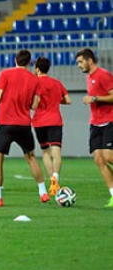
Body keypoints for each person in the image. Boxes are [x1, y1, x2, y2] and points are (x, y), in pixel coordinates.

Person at [0, 49, 50, 208]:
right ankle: (43, 192)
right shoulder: (35, 80)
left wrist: (0, 103)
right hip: (24, 124)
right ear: (29, 62)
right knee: (31, 157)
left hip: (6, 122)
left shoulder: (5, 74)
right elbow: (34, 105)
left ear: (15, 60)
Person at [75, 48, 113, 207]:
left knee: (109, 157)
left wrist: (95, 98)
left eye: (80, 62)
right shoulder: (89, 77)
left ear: (90, 61)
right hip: (95, 123)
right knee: (98, 159)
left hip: (109, 120)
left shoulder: (104, 75)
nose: (78, 65)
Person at [32, 57, 71, 196]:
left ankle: (51, 182)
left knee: (45, 152)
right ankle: (56, 178)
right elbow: (68, 100)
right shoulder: (56, 83)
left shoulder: (35, 82)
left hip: (39, 121)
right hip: (55, 120)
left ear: (37, 68)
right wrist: (55, 101)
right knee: (56, 153)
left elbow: (34, 104)